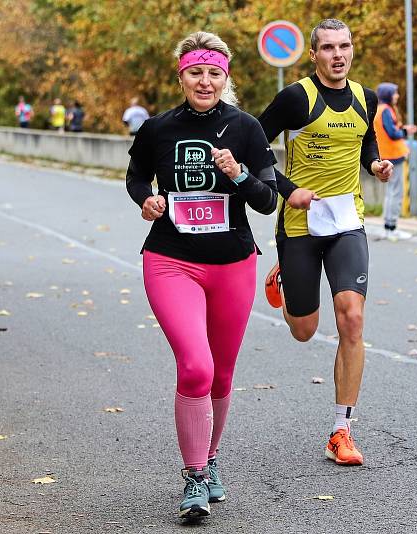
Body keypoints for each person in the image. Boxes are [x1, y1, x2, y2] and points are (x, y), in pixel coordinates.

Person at [126, 31, 278, 519]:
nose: (205, 81)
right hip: (170, 259)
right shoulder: (157, 128)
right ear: (182, 74)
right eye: (196, 72)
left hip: (233, 262)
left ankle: (210, 461)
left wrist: (237, 174)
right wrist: (146, 199)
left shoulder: (247, 128)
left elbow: (267, 199)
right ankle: (194, 477)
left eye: (214, 73)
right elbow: (135, 176)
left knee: (223, 371)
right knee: (196, 365)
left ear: (225, 76)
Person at [258, 19, 393, 468]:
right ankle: (286, 279)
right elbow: (249, 148)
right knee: (304, 330)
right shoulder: (297, 98)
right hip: (299, 221)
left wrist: (375, 164)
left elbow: (365, 138)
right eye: (329, 48)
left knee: (352, 317)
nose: (339, 55)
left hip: (346, 220)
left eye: (345, 46)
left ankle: (342, 429)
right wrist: (285, 188)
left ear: (353, 51)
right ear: (313, 55)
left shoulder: (364, 97)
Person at [373, 83, 417, 240]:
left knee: (390, 192)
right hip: (393, 156)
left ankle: (388, 226)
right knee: (396, 192)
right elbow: (392, 133)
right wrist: (405, 131)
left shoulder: (379, 109)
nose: (397, 96)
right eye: (395, 93)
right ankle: (392, 227)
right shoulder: (386, 110)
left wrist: (402, 129)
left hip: (385, 154)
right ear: (387, 94)